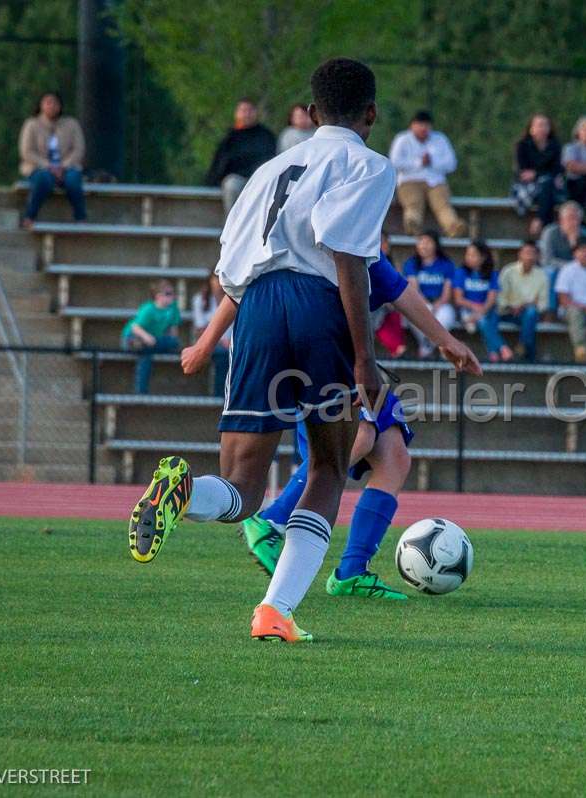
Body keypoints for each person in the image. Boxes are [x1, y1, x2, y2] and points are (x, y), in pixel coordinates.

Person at [127, 57, 397, 644]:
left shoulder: (269, 167)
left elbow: (230, 273)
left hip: (256, 310)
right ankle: (274, 611)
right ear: (371, 113)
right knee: (329, 466)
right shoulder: (370, 166)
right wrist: (365, 359)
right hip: (319, 305)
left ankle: (182, 493)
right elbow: (346, 257)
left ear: (311, 113)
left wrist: (209, 338)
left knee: (243, 487)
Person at [182, 251, 481, 590]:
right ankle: (272, 520)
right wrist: (205, 344)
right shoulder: (328, 241)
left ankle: (351, 571)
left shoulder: (362, 248)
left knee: (395, 457)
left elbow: (400, 291)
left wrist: (446, 341)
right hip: (325, 355)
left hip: (357, 363)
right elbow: (240, 289)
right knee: (360, 436)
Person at [389, 110, 466, 237]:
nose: (423, 128)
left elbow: (451, 164)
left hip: (435, 181)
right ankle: (412, 224)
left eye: (426, 125)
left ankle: (453, 227)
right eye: (420, 124)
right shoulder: (402, 139)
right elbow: (395, 162)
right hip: (410, 181)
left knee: (442, 205)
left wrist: (432, 162)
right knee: (413, 204)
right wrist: (418, 163)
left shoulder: (440, 139)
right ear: (412, 125)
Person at [18, 91, 86, 229]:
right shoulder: (31, 124)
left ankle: (81, 218)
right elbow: (26, 151)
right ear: (41, 105)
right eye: (48, 102)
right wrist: (49, 166)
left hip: (67, 167)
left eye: (55, 102)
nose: (52, 106)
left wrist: (63, 166)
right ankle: (29, 216)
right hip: (39, 167)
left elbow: (79, 149)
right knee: (43, 180)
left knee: (73, 181)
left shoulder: (72, 124)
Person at [205, 98, 277, 214]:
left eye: (249, 110)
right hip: (237, 179)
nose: (246, 114)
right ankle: (233, 226)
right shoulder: (230, 137)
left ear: (255, 113)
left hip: (260, 178)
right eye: (243, 110)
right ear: (236, 114)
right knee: (231, 184)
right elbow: (219, 163)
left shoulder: (266, 135)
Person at [402, 230, 457, 358]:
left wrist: (436, 306)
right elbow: (414, 289)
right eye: (420, 242)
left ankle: (429, 345)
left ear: (436, 245)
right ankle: (433, 345)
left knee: (446, 316)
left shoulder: (446, 264)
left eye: (427, 242)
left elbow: (447, 293)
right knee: (415, 314)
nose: (423, 245)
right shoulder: (411, 263)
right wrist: (427, 306)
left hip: (441, 303)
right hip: (420, 301)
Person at [121, 279, 181, 395]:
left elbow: (173, 331)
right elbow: (135, 327)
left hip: (154, 341)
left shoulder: (173, 308)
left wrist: (170, 342)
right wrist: (146, 338)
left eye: (173, 293)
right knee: (144, 351)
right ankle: (141, 393)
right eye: (168, 294)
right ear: (158, 296)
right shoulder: (148, 309)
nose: (172, 297)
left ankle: (145, 347)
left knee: (172, 342)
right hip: (135, 337)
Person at [453, 240, 509, 362]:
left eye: (473, 255)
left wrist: (482, 310)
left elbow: (491, 298)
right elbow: (458, 299)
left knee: (490, 318)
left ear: (483, 258)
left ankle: (493, 352)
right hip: (467, 309)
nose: (469, 258)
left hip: (486, 309)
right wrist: (475, 307)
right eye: (467, 254)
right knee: (483, 321)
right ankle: (501, 347)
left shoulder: (492, 274)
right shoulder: (461, 273)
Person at [494, 240, 548, 362]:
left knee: (531, 314)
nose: (529, 256)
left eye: (533, 253)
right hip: (507, 313)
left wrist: (524, 306)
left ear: (537, 256)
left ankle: (523, 345)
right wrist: (513, 307)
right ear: (520, 254)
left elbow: (542, 304)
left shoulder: (542, 275)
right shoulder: (508, 271)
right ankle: (527, 352)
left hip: (528, 313)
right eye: (526, 253)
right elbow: (501, 298)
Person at [512, 114, 564, 238]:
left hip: (549, 186)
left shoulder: (555, 146)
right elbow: (523, 173)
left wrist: (536, 173)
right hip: (527, 187)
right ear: (531, 128)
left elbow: (558, 169)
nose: (542, 128)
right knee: (547, 183)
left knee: (548, 184)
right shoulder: (522, 146)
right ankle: (544, 226)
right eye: (539, 125)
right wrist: (543, 173)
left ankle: (540, 221)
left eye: (545, 125)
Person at [190, 269, 232, 396]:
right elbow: (200, 329)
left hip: (233, 343)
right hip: (211, 343)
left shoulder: (237, 298)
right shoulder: (200, 300)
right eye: (216, 278)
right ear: (210, 281)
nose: (219, 283)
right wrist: (220, 340)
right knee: (222, 354)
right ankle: (219, 396)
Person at [373, 233, 407, 358]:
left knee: (396, 312)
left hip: (389, 305)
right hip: (373, 305)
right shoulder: (365, 264)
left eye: (387, 243)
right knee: (378, 315)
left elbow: (398, 286)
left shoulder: (391, 265)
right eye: (381, 242)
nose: (384, 246)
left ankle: (397, 346)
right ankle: (395, 346)